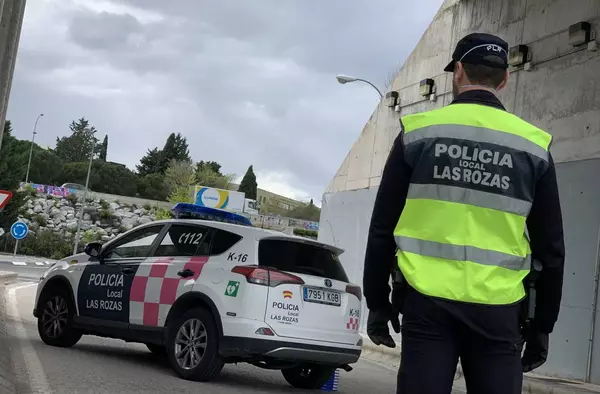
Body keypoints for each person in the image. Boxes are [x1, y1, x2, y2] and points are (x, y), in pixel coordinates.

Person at [362, 32, 565, 394]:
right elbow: (551, 249)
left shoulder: (417, 134)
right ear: (504, 79)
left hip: (427, 302)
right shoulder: (533, 146)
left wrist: (377, 304)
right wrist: (542, 325)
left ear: (458, 72)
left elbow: (382, 228)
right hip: (499, 308)